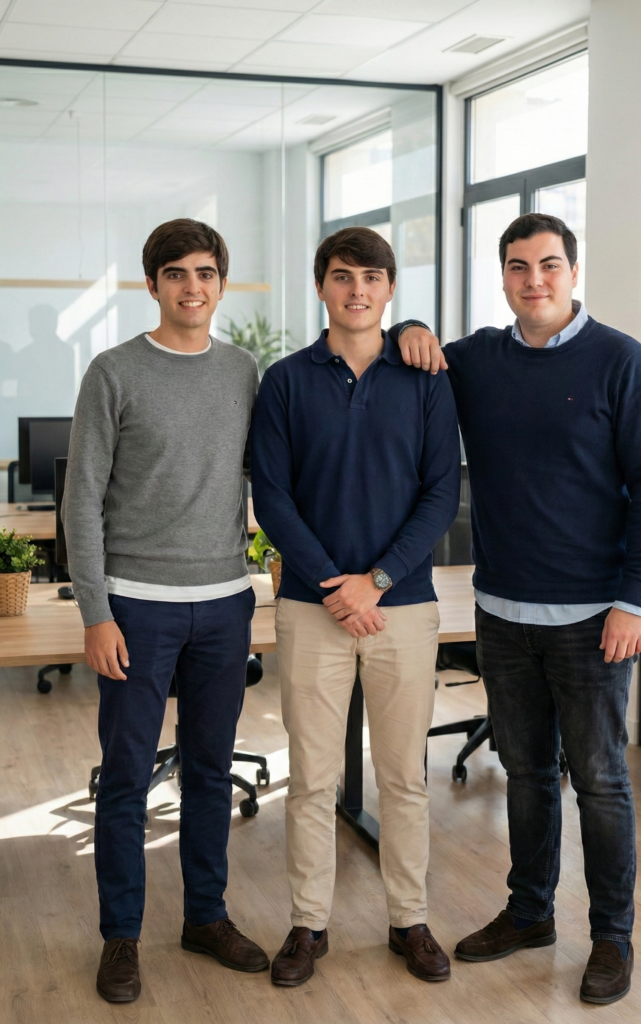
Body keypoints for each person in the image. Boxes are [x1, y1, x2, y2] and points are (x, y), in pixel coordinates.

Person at [392, 212, 641, 1005]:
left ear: (573, 271)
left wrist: (635, 601)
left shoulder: (620, 361)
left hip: (596, 618)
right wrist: (413, 325)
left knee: (601, 780)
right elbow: (406, 353)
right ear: (504, 277)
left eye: (549, 265)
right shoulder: (479, 359)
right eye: (519, 267)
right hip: (504, 612)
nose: (535, 280)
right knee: (523, 772)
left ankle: (612, 937)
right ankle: (529, 913)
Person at [62, 219, 269, 1004]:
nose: (192, 287)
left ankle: (206, 918)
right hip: (136, 608)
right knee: (124, 778)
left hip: (224, 603)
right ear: (152, 285)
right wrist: (96, 610)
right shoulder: (113, 372)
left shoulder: (246, 371)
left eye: (206, 273)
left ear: (222, 284)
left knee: (211, 772)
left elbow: (268, 476)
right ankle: (121, 935)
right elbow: (81, 499)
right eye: (176, 273)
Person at [251, 227, 461, 987]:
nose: (358, 290)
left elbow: (443, 492)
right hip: (312, 609)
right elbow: (271, 494)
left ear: (390, 288)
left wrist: (376, 579)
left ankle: (410, 918)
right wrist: (336, 584)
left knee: (404, 776)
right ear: (322, 288)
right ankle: (309, 924)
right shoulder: (284, 381)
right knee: (310, 778)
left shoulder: (426, 375)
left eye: (372, 277)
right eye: (343, 277)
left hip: (402, 608)